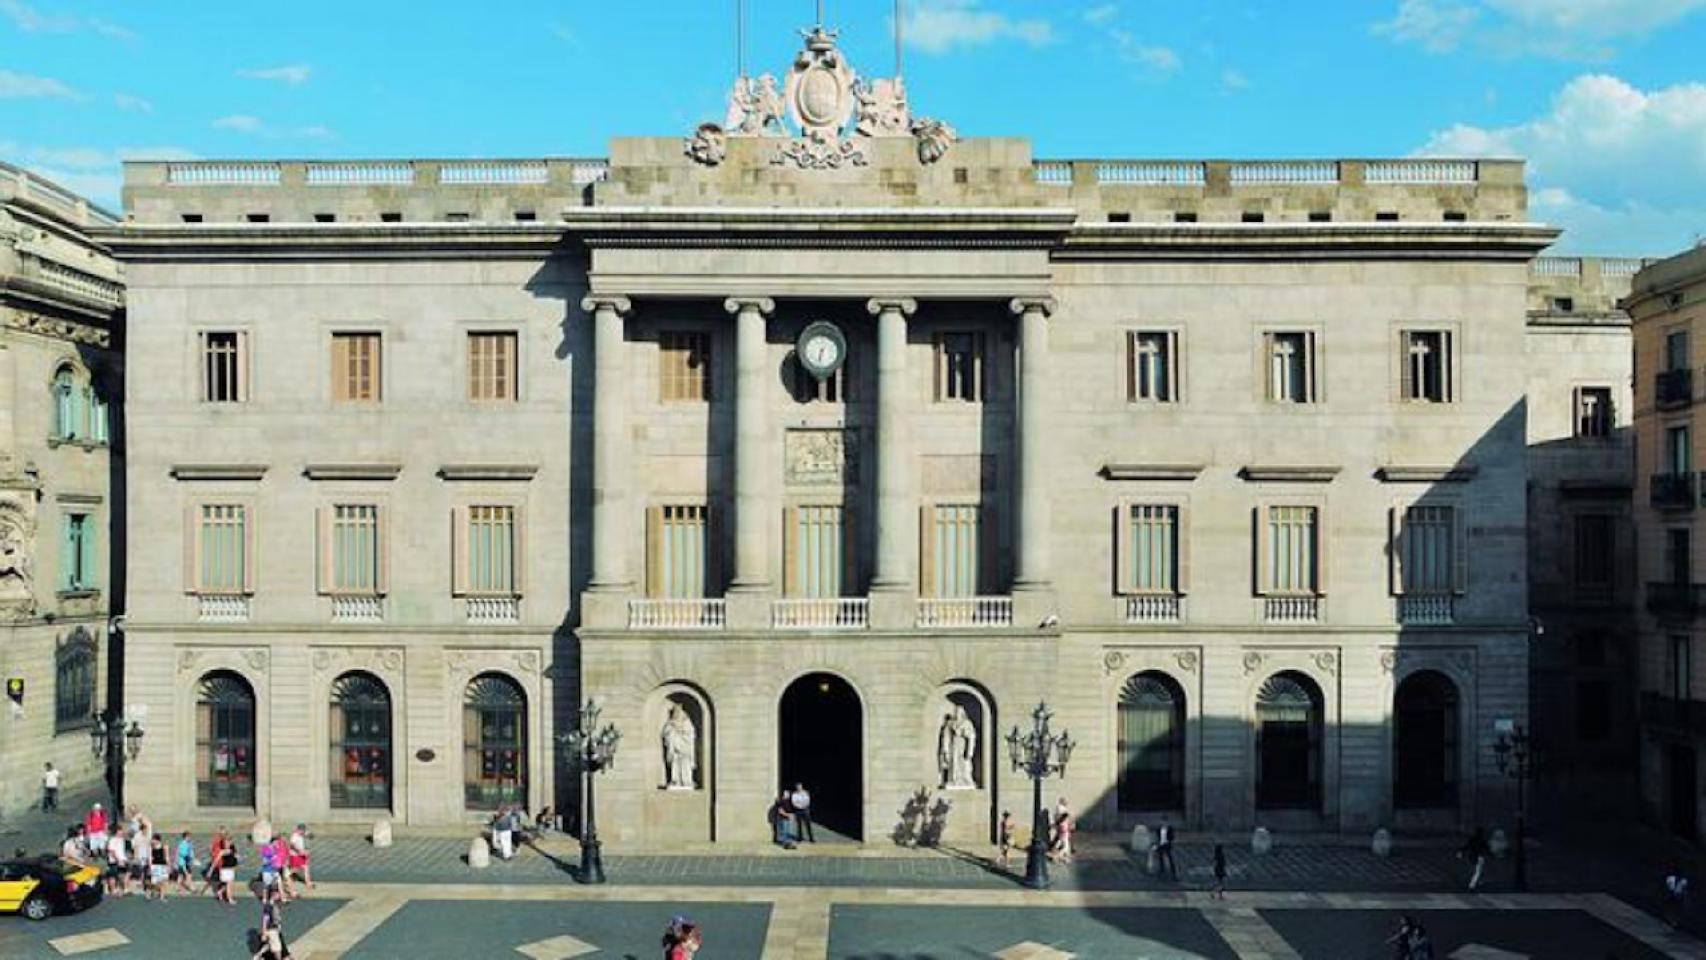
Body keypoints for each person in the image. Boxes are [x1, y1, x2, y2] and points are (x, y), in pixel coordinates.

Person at [252, 885, 291, 960]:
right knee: (277, 948)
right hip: (271, 929)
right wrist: (264, 932)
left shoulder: (274, 904)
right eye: (279, 894)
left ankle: (258, 956)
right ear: (274, 894)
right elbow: (265, 919)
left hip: (275, 928)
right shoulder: (268, 906)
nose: (280, 896)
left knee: (269, 944)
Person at [1461, 826, 1489, 892]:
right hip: (1479, 857)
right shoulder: (1482, 840)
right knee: (1477, 871)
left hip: (1473, 856)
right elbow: (1487, 848)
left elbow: (1467, 846)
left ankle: (1474, 883)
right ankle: (1472, 885)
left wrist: (1462, 851)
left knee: (1474, 871)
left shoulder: (1473, 839)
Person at [287, 824, 313, 892]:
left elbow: (311, 836)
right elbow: (292, 845)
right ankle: (288, 880)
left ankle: (308, 883)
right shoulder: (294, 836)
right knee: (294, 871)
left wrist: (310, 835)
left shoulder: (302, 833)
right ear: (299, 830)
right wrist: (300, 851)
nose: (303, 832)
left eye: (304, 830)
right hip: (295, 855)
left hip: (301, 854)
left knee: (306, 868)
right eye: (302, 830)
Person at [148, 833, 170, 901]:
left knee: (163, 881)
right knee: (154, 882)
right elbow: (150, 858)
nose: (152, 841)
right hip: (155, 866)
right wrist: (150, 866)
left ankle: (162, 897)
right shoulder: (151, 848)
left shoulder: (164, 847)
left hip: (163, 865)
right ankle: (149, 892)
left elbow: (167, 856)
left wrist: (169, 866)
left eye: (153, 839)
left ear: (157, 840)